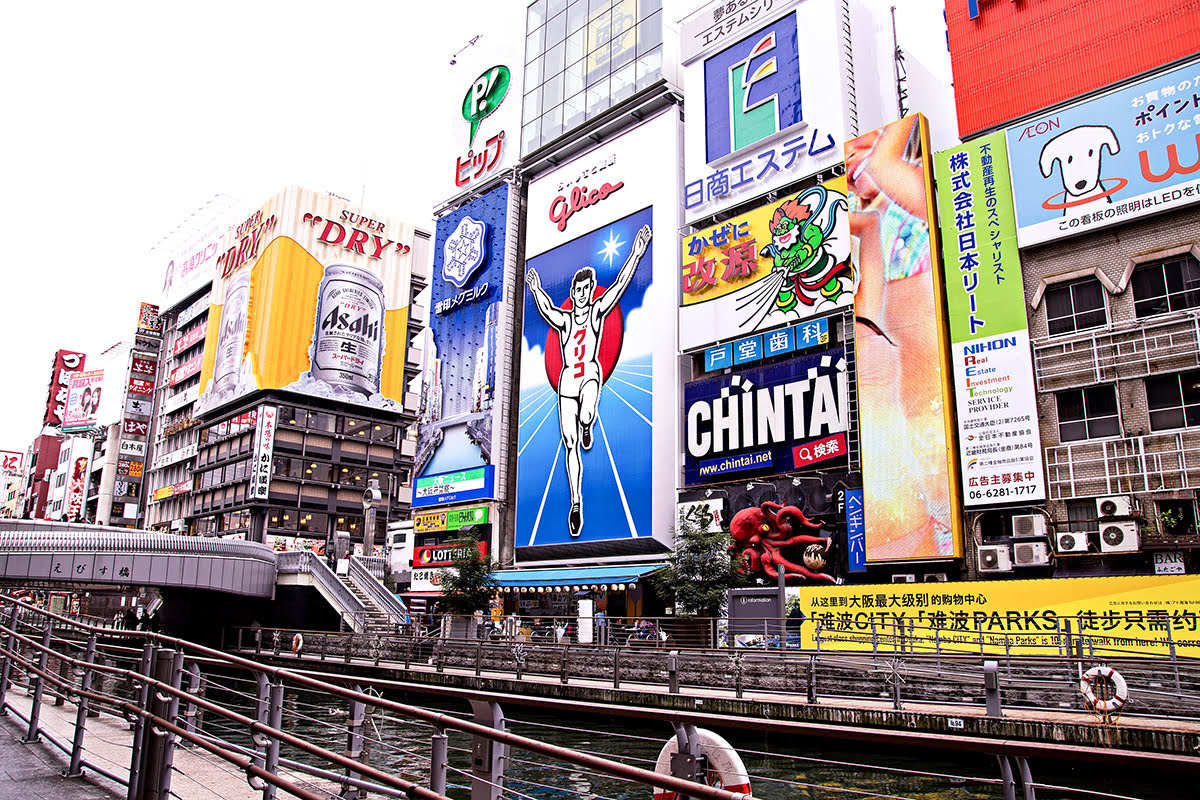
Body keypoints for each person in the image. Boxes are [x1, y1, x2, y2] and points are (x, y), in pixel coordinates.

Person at [525, 224, 652, 537]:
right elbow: (545, 308)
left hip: (590, 373)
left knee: (587, 413)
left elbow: (620, 286)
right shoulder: (566, 321)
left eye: (587, 289)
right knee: (569, 444)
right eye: (578, 290)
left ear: (591, 289)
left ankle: (587, 424)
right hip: (568, 380)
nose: (583, 294)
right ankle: (576, 501)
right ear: (573, 293)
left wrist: (636, 254)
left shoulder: (596, 312)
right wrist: (536, 288)